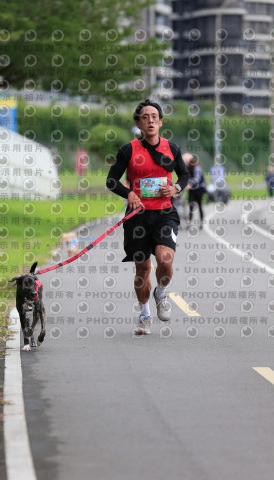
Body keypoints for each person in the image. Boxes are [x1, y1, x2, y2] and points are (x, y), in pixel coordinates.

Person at [106, 99, 189, 335]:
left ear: (160, 122)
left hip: (165, 214)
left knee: (165, 259)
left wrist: (175, 189)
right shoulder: (128, 150)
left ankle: (161, 293)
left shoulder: (171, 149)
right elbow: (111, 181)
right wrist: (130, 193)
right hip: (137, 218)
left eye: (154, 116)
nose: (150, 120)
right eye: (145, 117)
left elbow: (184, 175)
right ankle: (144, 314)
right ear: (138, 123)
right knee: (142, 269)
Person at [185, 153, 206, 229]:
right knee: (191, 206)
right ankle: (190, 223)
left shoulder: (197, 167)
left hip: (199, 189)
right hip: (192, 190)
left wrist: (190, 185)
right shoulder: (188, 168)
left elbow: (197, 179)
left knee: (199, 206)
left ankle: (201, 223)